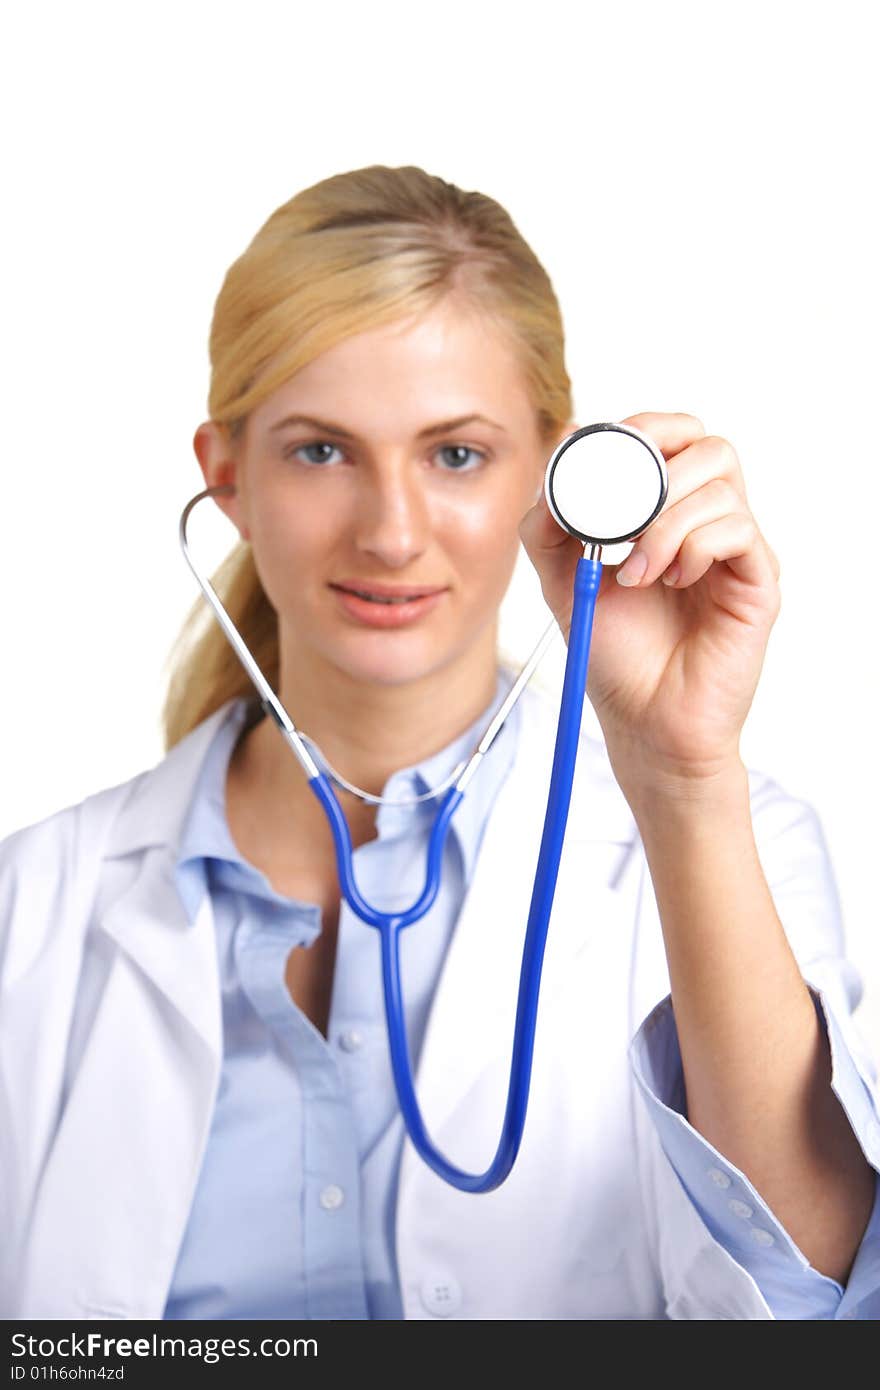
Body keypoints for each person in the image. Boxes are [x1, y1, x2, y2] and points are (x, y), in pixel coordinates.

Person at [1, 164, 879, 1323]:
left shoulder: (728, 837)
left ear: (551, 473)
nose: (392, 531)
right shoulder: (36, 907)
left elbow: (817, 1304)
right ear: (226, 479)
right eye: (321, 450)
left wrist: (679, 777)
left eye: (455, 453)